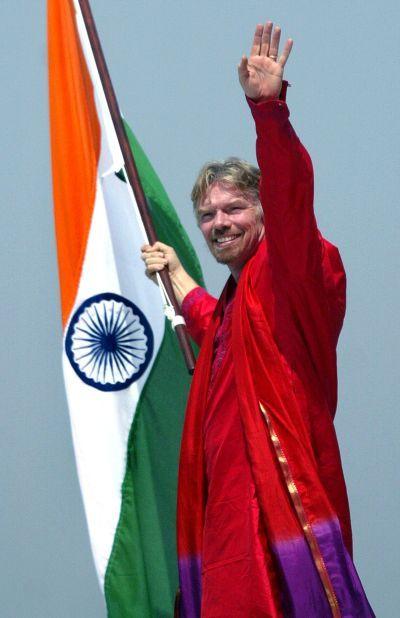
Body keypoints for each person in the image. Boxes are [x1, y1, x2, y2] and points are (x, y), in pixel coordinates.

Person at [142, 21, 374, 618]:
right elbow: (209, 320)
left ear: (264, 210)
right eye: (207, 215)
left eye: (234, 208)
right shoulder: (235, 309)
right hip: (221, 535)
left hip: (280, 529)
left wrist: (268, 111)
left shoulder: (297, 270)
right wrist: (174, 271)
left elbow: (294, 194)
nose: (218, 222)